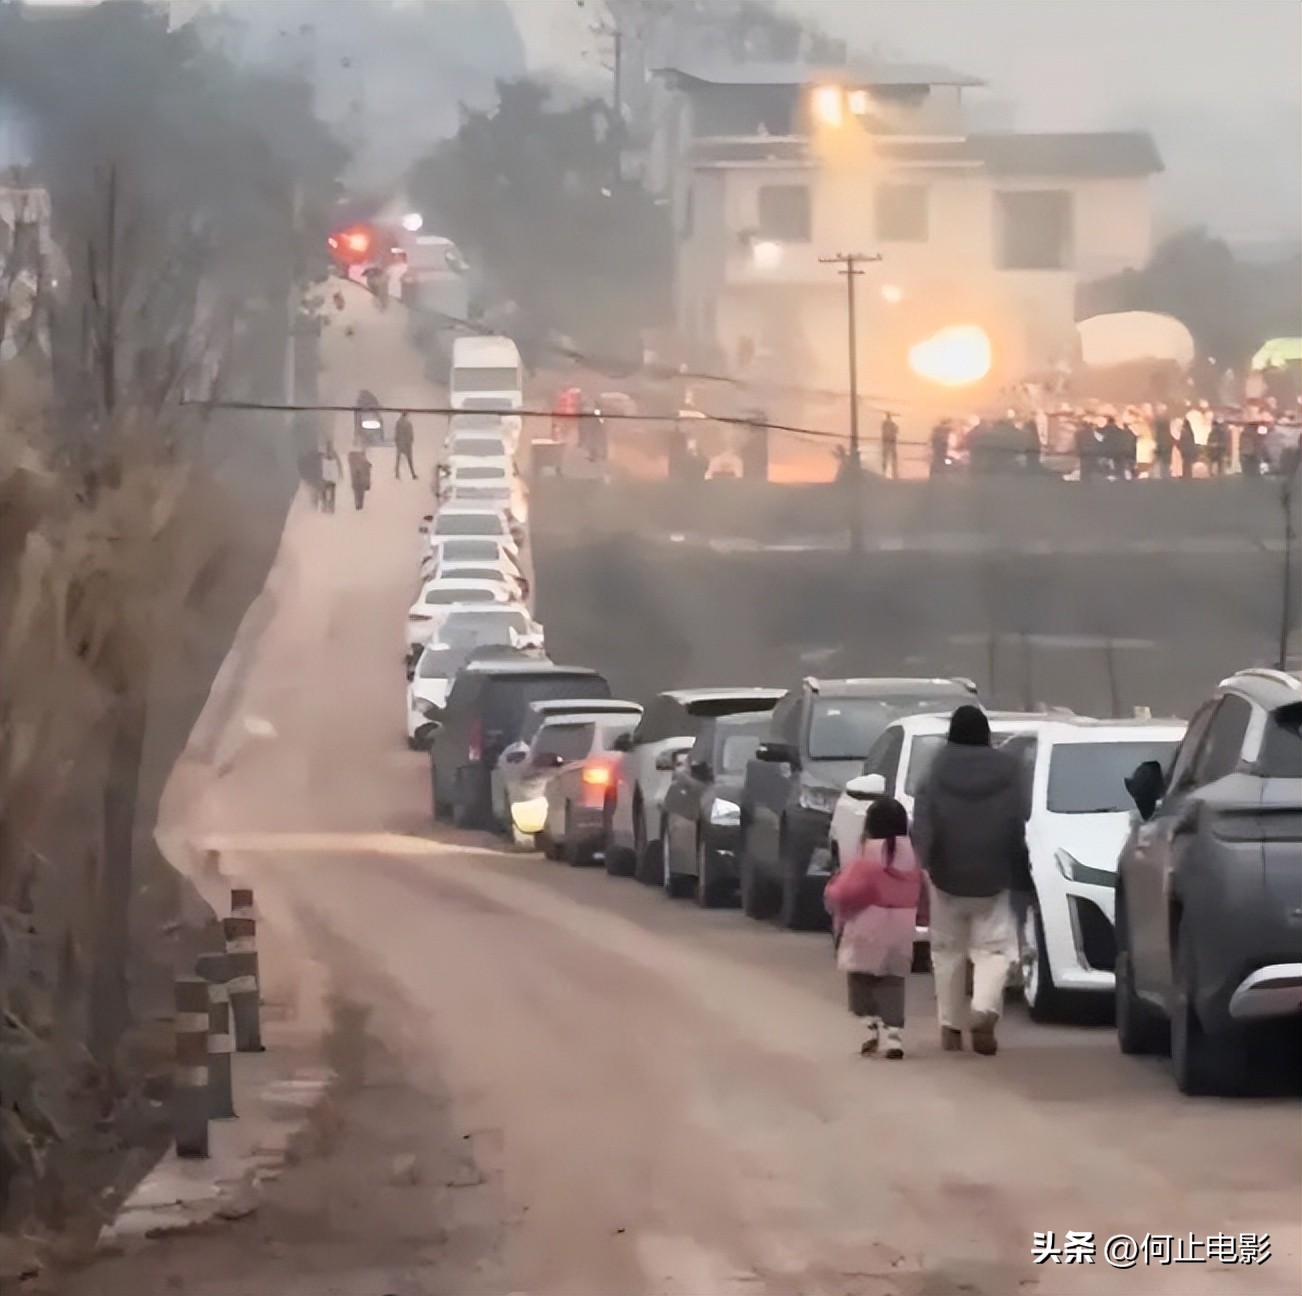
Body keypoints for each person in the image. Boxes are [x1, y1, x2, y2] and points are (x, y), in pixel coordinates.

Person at [911, 704, 1029, 1057]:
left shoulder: (935, 767)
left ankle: (949, 1026)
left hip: (946, 873)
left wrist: (925, 861)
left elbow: (923, 818)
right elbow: (1020, 814)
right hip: (995, 873)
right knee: (993, 950)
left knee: (947, 952)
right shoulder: (1010, 768)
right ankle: (983, 1009)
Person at [824, 797, 921, 1060]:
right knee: (892, 980)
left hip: (866, 926)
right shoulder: (913, 859)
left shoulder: (866, 858)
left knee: (860, 976)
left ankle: (868, 1025)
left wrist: (831, 892)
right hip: (901, 927)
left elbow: (842, 893)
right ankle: (893, 1035)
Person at [347, 445, 372, 511]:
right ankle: (359, 504)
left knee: (357, 490)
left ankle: (358, 504)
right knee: (359, 490)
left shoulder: (352, 457)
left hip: (357, 477)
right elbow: (367, 468)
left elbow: (367, 467)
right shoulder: (357, 457)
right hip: (360, 477)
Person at [1151, 409, 1173, 479]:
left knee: (1161, 473)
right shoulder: (1167, 432)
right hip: (1166, 457)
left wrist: (1156, 452)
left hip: (1162, 457)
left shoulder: (1160, 433)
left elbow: (1162, 445)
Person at [320, 443, 341, 512]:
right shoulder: (334, 455)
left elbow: (338, 465)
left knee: (324, 491)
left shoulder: (323, 455)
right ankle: (330, 506)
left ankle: (325, 505)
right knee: (331, 492)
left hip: (326, 477)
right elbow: (339, 465)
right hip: (331, 478)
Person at [394, 411, 416, 479]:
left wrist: (397, 441)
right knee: (409, 459)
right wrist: (411, 441)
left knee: (398, 459)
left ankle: (397, 473)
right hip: (407, 443)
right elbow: (410, 434)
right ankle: (413, 474)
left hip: (400, 442)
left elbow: (396, 433)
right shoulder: (408, 423)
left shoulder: (398, 422)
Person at [1178, 414, 1198, 479]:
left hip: (1185, 453)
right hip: (1190, 453)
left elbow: (1181, 444)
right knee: (1188, 467)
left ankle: (1185, 478)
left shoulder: (1183, 433)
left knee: (1185, 467)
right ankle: (1188, 478)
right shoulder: (1190, 432)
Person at [880, 412, 899, 479]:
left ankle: (885, 470)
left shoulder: (885, 424)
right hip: (890, 442)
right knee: (892, 457)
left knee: (886, 456)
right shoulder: (891, 424)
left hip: (887, 441)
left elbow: (895, 431)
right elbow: (896, 431)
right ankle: (892, 471)